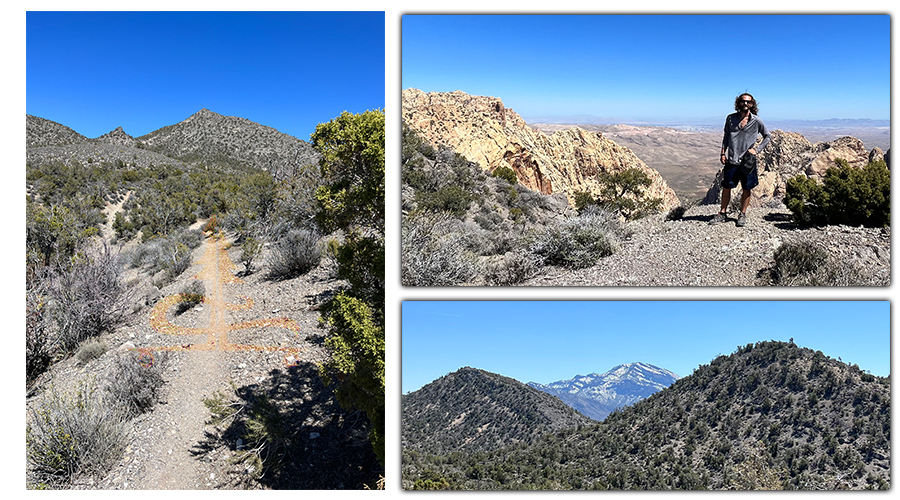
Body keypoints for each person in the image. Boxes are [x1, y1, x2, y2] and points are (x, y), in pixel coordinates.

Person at [710, 93, 771, 227]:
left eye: (748, 102)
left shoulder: (756, 121)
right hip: (732, 159)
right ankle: (722, 213)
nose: (745, 104)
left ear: (752, 104)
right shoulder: (731, 119)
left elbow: (767, 136)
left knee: (746, 188)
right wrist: (722, 153)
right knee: (726, 187)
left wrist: (756, 150)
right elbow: (726, 136)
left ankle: (742, 214)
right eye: (743, 101)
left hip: (747, 161)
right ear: (738, 103)